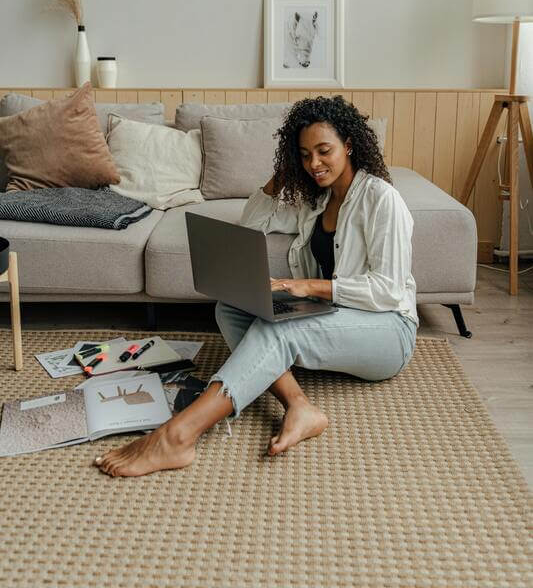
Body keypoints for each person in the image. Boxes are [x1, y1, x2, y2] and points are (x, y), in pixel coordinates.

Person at [95, 95, 418, 477]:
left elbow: (389, 290)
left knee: (276, 333)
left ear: (349, 144)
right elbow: (253, 221)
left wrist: (307, 287)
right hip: (337, 316)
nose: (314, 163)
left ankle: (178, 436)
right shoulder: (317, 201)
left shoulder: (382, 199)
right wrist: (283, 171)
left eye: (324, 151)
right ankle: (299, 405)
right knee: (231, 308)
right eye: (303, 154)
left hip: (388, 329)